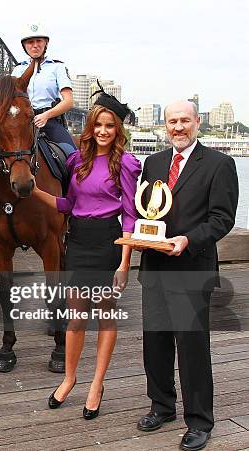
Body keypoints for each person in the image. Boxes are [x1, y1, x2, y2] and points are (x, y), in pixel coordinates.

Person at [135, 100, 238, 451]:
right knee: (156, 344)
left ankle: (199, 421)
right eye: (172, 121)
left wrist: (188, 239)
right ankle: (161, 406)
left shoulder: (219, 164)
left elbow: (222, 218)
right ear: (165, 125)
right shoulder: (153, 162)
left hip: (192, 269)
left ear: (197, 123)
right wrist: (140, 236)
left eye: (184, 121)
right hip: (155, 267)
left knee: (192, 348)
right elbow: (147, 210)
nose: (178, 127)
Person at [32, 90, 141, 419]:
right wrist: (34, 192)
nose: (104, 131)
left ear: (117, 129)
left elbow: (130, 215)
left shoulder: (125, 162)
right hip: (77, 240)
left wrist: (124, 263)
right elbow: (69, 205)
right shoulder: (76, 160)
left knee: (106, 314)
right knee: (76, 317)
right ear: (90, 127)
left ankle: (97, 383)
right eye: (99, 125)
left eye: (110, 126)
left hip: (109, 241)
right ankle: (69, 378)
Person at [11, 23, 76, 150]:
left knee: (72, 154)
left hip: (49, 121)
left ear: (46, 43)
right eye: (30, 42)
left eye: (39, 41)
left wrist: (46, 115)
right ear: (24, 46)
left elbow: (68, 101)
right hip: (22, 123)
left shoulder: (58, 67)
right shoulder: (17, 70)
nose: (35, 45)